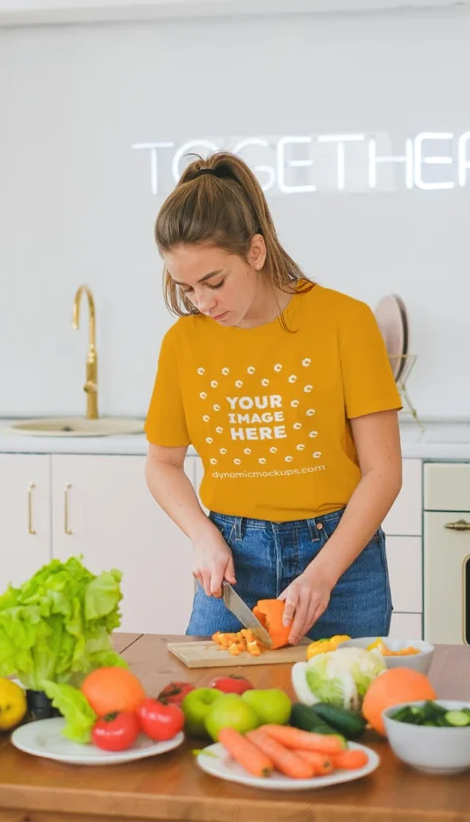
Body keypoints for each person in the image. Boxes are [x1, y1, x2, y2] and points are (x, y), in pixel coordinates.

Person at [144, 151, 402, 646]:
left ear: (256, 253)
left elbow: (384, 471)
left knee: (342, 711)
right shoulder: (183, 343)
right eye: (187, 287)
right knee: (216, 712)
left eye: (214, 282)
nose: (202, 302)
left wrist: (323, 574)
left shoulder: (345, 322)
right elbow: (163, 463)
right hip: (235, 560)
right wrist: (202, 535)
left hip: (341, 559)